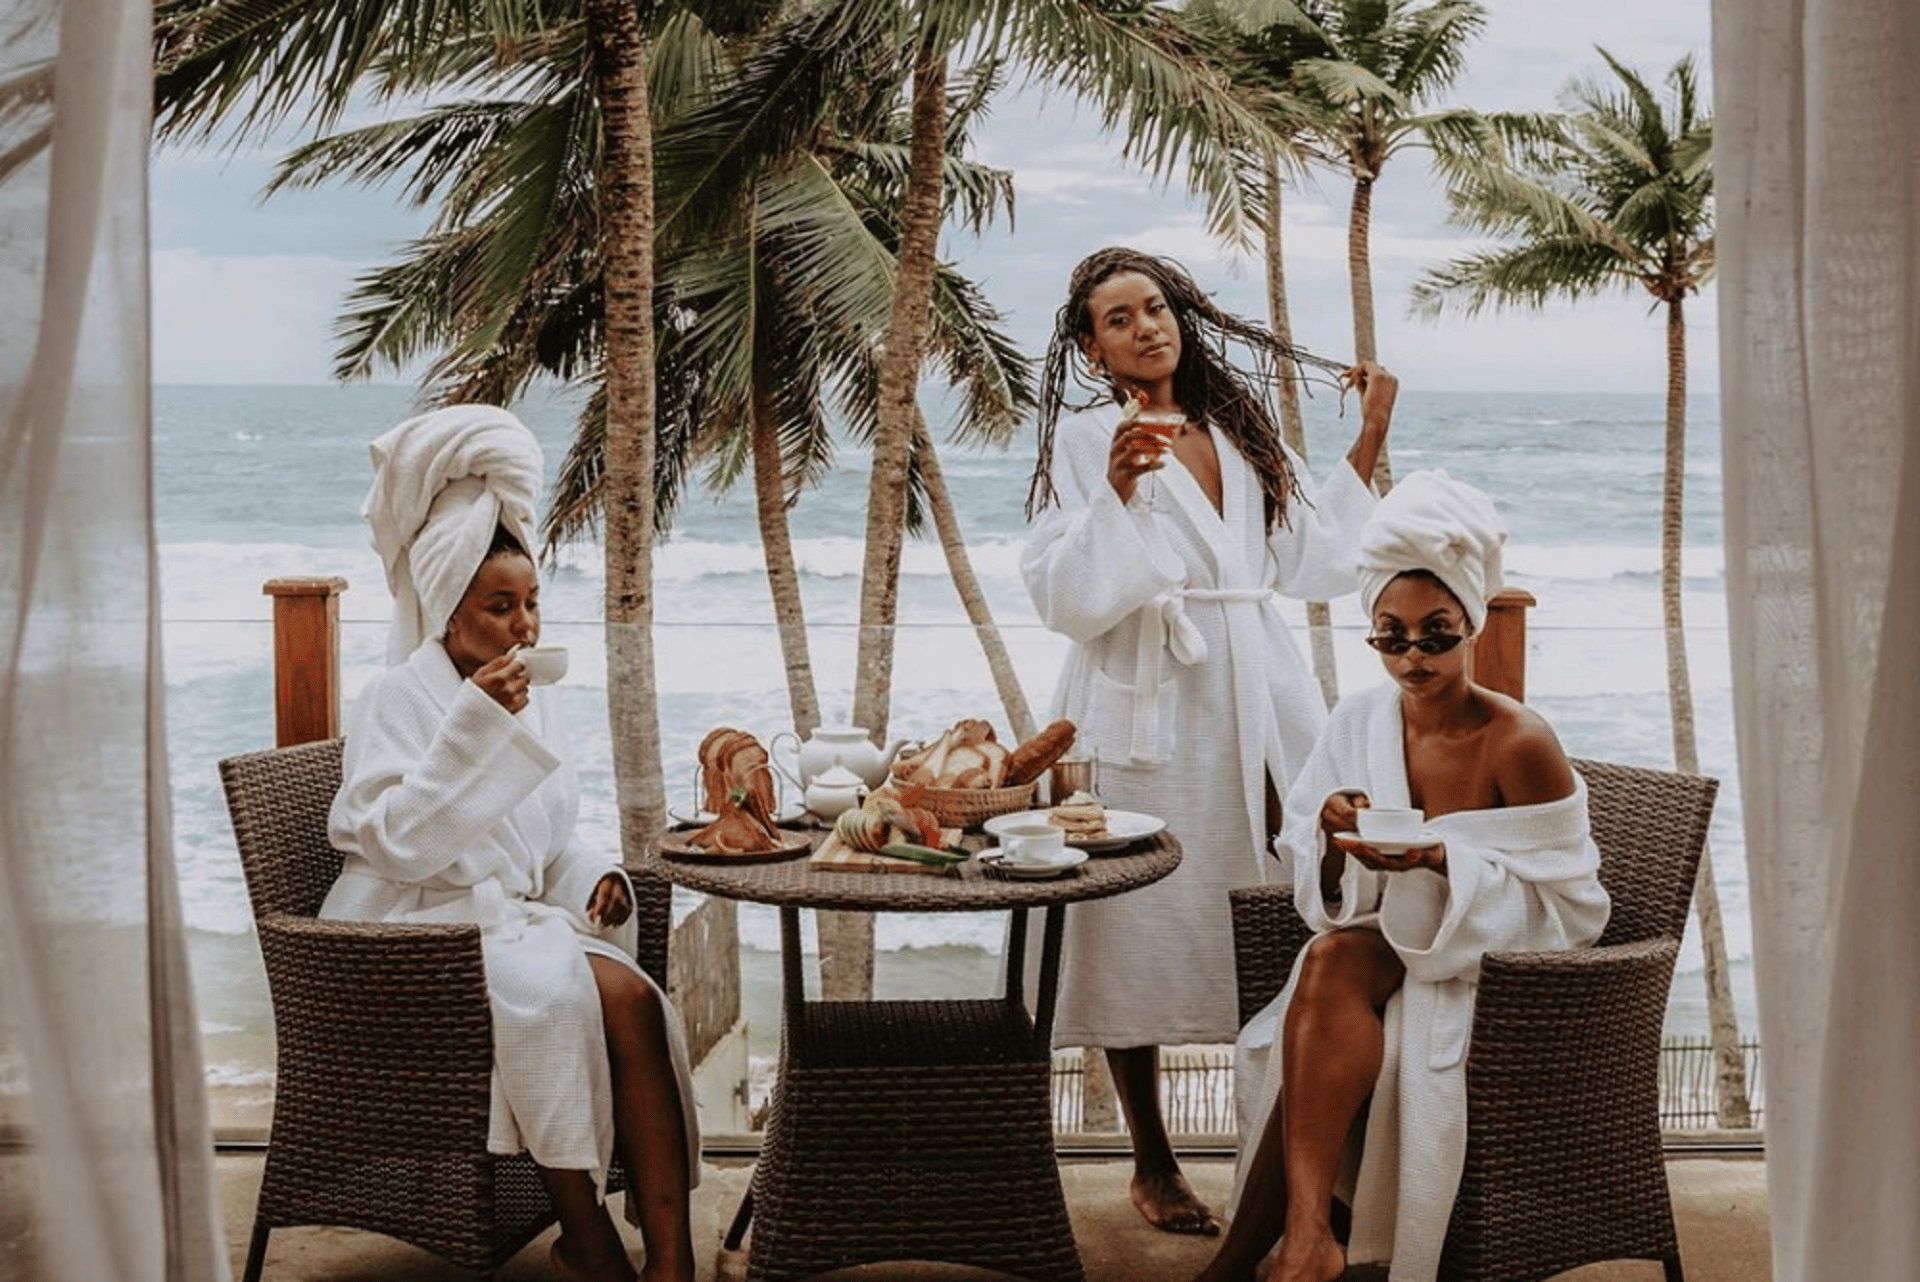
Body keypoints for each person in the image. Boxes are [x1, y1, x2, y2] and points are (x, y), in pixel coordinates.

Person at [1021, 247, 1397, 1235]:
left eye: (1156, 307)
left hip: (1260, 685)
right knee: (1133, 915)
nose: (1146, 326)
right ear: (1091, 347)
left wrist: (1368, 437)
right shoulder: (1084, 435)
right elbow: (1067, 594)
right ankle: (1152, 1158)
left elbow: (1312, 559)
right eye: (1118, 318)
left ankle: (1287, 1155)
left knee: (1296, 896)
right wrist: (1113, 492)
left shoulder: (1235, 427)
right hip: (1143, 692)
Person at [1198, 471, 1613, 1282]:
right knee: (1327, 961)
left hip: (1486, 973)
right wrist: (1328, 831)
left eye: (1436, 634)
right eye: (1391, 637)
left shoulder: (1518, 742)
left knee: (1328, 990)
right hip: (1381, 949)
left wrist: (1441, 863)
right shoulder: (1360, 719)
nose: (1413, 657)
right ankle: (1310, 1235)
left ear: (1472, 627)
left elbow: (1573, 905)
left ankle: (1261, 1255)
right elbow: (1306, 857)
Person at [321, 405, 700, 1282]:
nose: (524, 627)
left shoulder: (531, 693)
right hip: (413, 929)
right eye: (499, 607)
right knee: (565, 991)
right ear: (447, 611)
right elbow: (398, 843)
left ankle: (670, 1258)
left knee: (635, 1002)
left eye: (531, 603)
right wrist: (475, 726)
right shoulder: (396, 699)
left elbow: (544, 839)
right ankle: (590, 1240)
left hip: (506, 918)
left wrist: (592, 878)